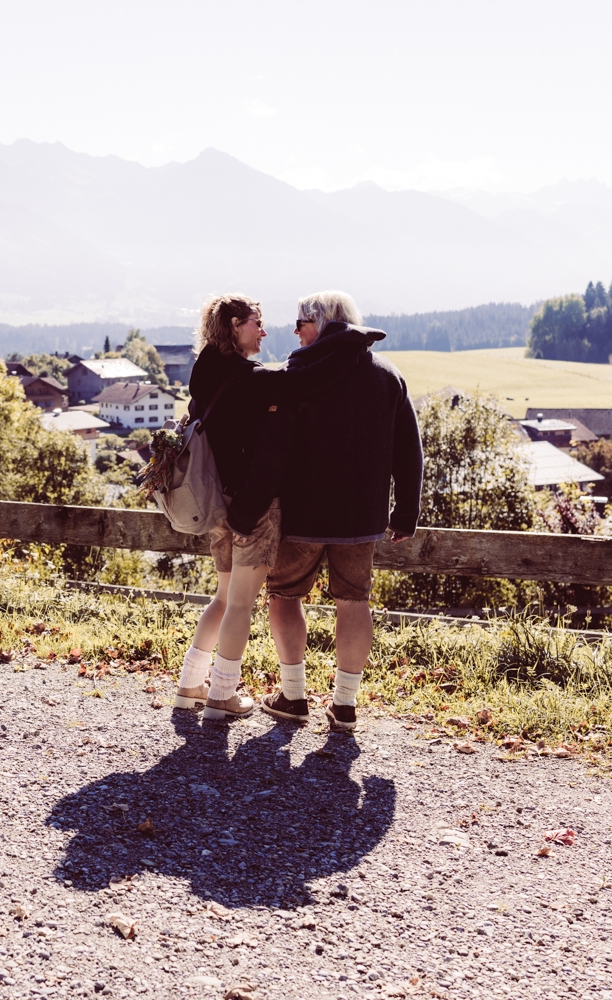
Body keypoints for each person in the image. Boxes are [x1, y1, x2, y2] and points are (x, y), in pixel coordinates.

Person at [171, 295, 380, 721]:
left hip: (215, 504)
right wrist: (351, 344)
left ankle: (191, 684)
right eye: (256, 323)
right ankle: (222, 696)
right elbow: (303, 382)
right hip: (250, 508)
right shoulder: (251, 378)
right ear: (234, 325)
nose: (264, 332)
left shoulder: (206, 370)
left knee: (224, 596)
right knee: (241, 605)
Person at [259, 290, 423, 732]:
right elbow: (410, 451)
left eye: (300, 322)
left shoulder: (300, 372)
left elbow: (274, 445)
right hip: (362, 517)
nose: (294, 332)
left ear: (325, 322)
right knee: (354, 600)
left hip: (302, 516)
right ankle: (345, 705)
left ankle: (293, 696)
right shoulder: (388, 375)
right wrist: (405, 512)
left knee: (284, 595)